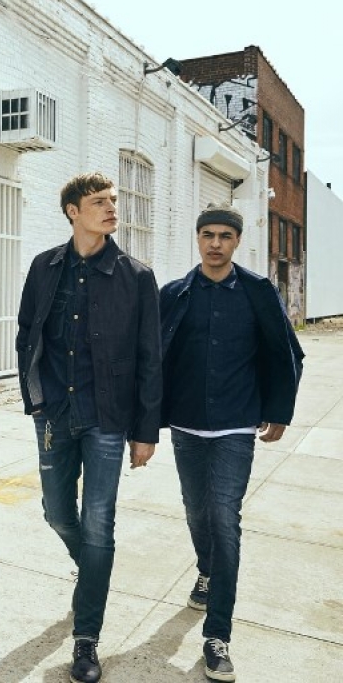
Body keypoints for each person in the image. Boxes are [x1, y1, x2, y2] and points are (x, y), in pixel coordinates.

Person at [15, 171, 162, 683]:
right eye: (99, 201)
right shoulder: (44, 267)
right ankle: (92, 572)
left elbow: (150, 358)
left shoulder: (136, 277)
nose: (111, 207)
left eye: (113, 200)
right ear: (73, 211)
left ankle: (86, 638)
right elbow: (26, 333)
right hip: (55, 414)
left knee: (99, 523)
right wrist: (36, 399)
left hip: (107, 419)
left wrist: (145, 431)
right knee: (57, 513)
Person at [160, 205, 303, 682]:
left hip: (236, 427)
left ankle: (217, 636)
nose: (216, 243)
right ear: (197, 239)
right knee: (196, 512)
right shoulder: (175, 294)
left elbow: (287, 352)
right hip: (186, 425)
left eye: (225, 235)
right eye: (208, 235)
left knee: (224, 517)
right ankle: (206, 571)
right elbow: (151, 356)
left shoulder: (258, 292)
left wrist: (279, 411)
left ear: (237, 241)